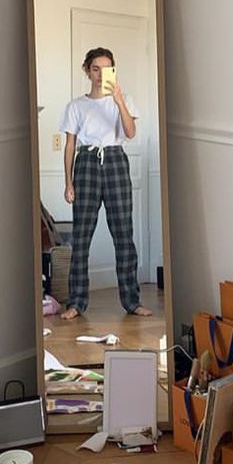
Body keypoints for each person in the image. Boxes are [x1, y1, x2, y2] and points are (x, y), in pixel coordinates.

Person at [59, 48, 151, 320]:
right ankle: (76, 302)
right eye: (95, 68)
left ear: (113, 70)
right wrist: (68, 183)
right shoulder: (76, 106)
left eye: (106, 68)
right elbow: (70, 146)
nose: (100, 74)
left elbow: (131, 133)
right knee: (82, 237)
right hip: (86, 164)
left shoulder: (124, 100)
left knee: (123, 236)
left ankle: (132, 302)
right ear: (87, 70)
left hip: (115, 162)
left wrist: (119, 101)